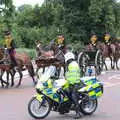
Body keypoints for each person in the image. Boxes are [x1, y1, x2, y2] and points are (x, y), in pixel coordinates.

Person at [64, 51, 82, 119]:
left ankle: (78, 113)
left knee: (73, 96)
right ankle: (66, 108)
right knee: (64, 92)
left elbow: (73, 77)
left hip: (76, 84)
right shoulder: (70, 65)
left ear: (69, 59)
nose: (66, 62)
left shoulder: (73, 65)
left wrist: (69, 83)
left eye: (67, 61)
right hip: (71, 83)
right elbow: (68, 75)